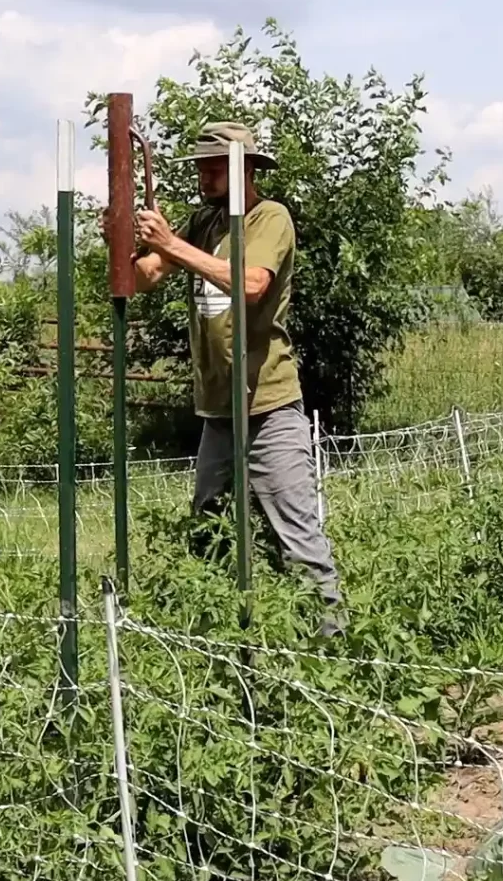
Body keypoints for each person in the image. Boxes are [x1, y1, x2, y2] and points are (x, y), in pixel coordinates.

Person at [110, 120, 346, 637]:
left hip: (268, 404)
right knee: (210, 528)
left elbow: (252, 284)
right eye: (201, 166)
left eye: (215, 166)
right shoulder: (205, 222)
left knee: (297, 534)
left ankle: (334, 644)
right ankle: (219, 638)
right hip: (217, 410)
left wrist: (173, 244)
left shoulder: (269, 218)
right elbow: (148, 276)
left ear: (245, 170)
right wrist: (123, 240)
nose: (205, 174)